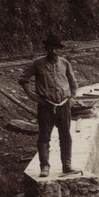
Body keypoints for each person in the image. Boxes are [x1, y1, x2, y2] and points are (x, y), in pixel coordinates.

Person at [19, 34, 79, 178]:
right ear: (46, 48)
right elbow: (23, 79)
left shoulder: (64, 63)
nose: (54, 51)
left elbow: (73, 83)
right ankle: (44, 166)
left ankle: (67, 165)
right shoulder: (38, 63)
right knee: (44, 137)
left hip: (64, 105)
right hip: (46, 106)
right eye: (51, 48)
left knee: (65, 135)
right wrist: (32, 96)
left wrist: (72, 99)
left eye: (57, 48)